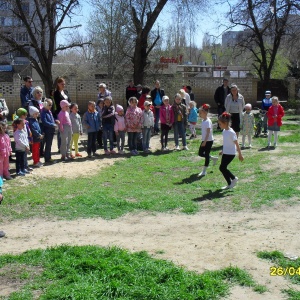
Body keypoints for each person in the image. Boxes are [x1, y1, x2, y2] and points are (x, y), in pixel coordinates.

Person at [218, 112, 244, 190]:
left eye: (220, 124)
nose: (219, 126)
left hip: (231, 153)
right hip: (226, 153)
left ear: (225, 123)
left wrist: (240, 154)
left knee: (222, 168)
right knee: (222, 168)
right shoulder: (224, 131)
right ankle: (230, 184)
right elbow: (226, 142)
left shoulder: (231, 132)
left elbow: (236, 143)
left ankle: (234, 178)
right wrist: (223, 150)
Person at [198, 104, 218, 177]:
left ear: (205, 113)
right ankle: (213, 158)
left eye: (200, 113)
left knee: (206, 155)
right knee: (200, 153)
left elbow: (208, 132)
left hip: (208, 141)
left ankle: (204, 171)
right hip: (204, 140)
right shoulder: (203, 121)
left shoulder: (208, 121)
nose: (199, 114)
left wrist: (205, 142)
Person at [54, 77, 71, 151]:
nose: (63, 85)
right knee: (61, 129)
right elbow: (57, 104)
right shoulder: (56, 93)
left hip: (67, 112)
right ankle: (60, 147)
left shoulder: (66, 92)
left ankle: (67, 146)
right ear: (58, 84)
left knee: (67, 128)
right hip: (60, 113)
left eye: (64, 84)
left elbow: (69, 100)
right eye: (62, 84)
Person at [41, 98, 59, 164]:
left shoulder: (49, 111)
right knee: (48, 145)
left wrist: (55, 120)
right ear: (45, 104)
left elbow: (51, 119)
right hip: (47, 130)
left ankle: (49, 157)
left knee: (50, 144)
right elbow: (45, 122)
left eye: (51, 105)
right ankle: (47, 158)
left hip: (51, 130)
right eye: (49, 105)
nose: (51, 106)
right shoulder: (43, 112)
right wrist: (52, 125)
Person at [29, 86, 45, 157]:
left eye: (40, 92)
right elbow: (31, 112)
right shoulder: (32, 102)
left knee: (43, 136)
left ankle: (41, 151)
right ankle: (36, 153)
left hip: (43, 121)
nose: (39, 93)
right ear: (34, 94)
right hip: (36, 122)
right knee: (37, 137)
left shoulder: (43, 101)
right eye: (37, 92)